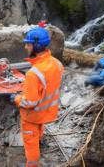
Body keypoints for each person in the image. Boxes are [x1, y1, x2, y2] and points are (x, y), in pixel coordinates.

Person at [10, 27, 64, 167]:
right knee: (39, 127)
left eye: (28, 44)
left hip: (32, 115)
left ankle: (32, 163)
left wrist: (15, 98)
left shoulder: (33, 74)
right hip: (48, 110)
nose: (25, 46)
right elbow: (49, 85)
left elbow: (29, 102)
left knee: (30, 140)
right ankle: (40, 140)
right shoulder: (56, 64)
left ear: (36, 45)